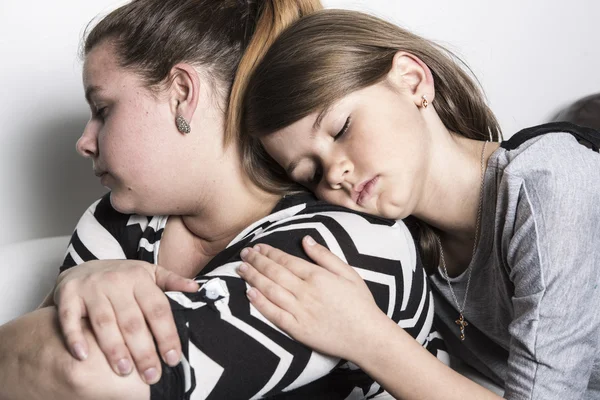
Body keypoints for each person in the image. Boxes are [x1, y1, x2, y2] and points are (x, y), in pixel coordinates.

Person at [0, 1, 448, 399]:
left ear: (181, 93)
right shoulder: (117, 220)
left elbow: (74, 370)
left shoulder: (346, 242)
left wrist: (62, 298)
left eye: (103, 109)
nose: (85, 141)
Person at [236, 9, 600, 400]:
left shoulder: (550, 181)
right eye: (311, 172)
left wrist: (365, 336)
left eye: (341, 128)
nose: (335, 173)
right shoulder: (409, 255)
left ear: (412, 80)